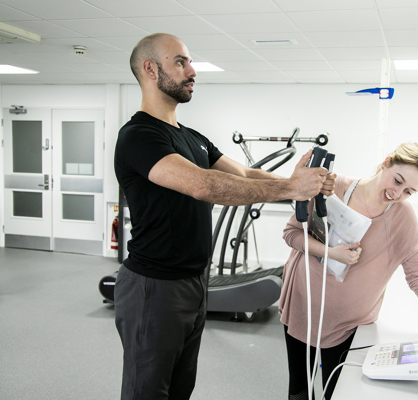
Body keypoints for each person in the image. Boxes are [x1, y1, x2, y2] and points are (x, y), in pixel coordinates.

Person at [113, 32, 334, 400]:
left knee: (181, 388)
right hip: (154, 287)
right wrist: (291, 189)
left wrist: (299, 183)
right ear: (150, 70)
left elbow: (244, 175)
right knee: (147, 392)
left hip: (194, 282)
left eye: (190, 61)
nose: (192, 70)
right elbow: (205, 186)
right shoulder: (138, 136)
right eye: (180, 62)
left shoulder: (192, 136)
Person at [278, 142, 418, 400]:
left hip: (347, 326)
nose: (397, 193)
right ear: (386, 162)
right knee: (299, 391)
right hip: (302, 305)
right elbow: (291, 233)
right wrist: (331, 252)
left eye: (409, 191)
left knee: (335, 392)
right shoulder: (334, 187)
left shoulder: (403, 219)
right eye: (397, 180)